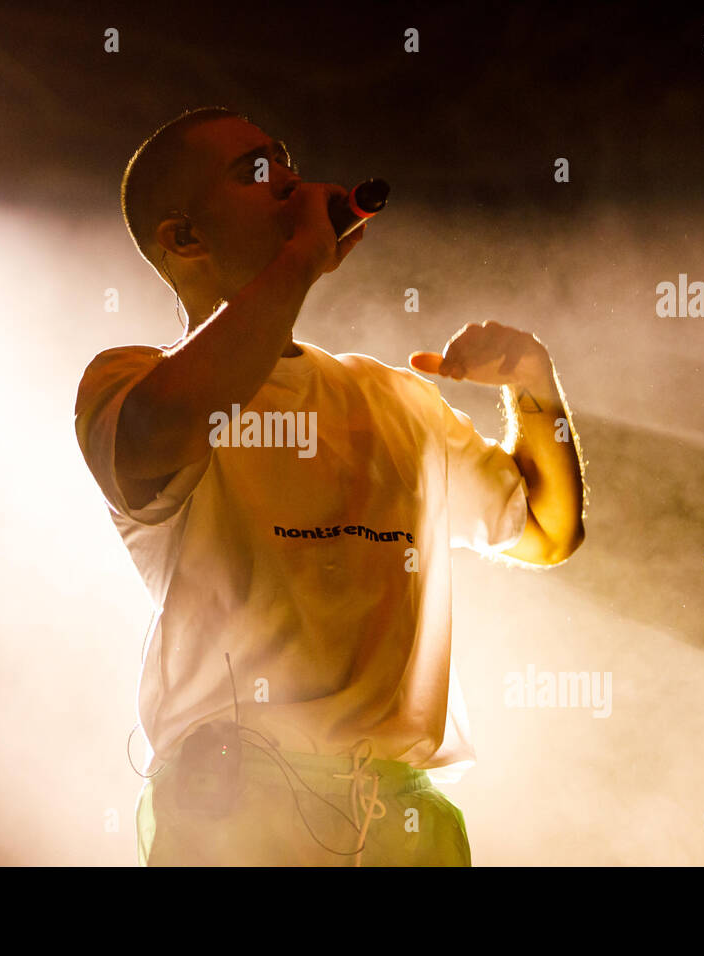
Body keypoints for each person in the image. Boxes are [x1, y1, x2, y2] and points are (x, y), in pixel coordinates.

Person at [74, 107, 586, 866]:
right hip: (238, 817)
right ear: (184, 238)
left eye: (283, 158)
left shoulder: (395, 398)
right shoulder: (129, 380)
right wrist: (300, 260)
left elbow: (548, 530)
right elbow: (164, 432)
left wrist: (536, 390)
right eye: (253, 171)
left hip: (403, 824)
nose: (287, 180)